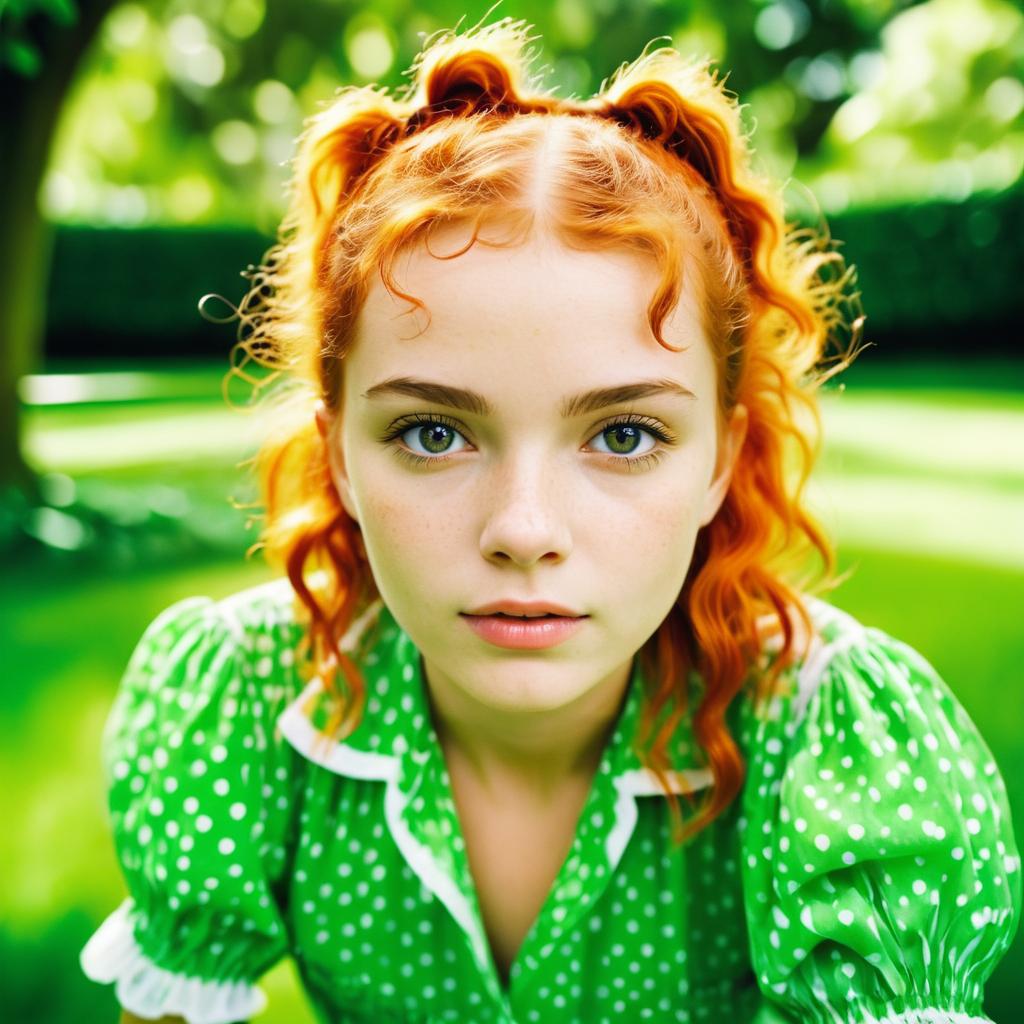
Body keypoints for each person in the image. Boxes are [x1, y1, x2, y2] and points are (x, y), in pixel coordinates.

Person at [80, 12, 1021, 1024]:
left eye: (621, 435)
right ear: (339, 453)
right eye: (434, 432)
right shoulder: (250, 707)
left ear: (718, 460)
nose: (523, 529)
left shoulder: (818, 746)